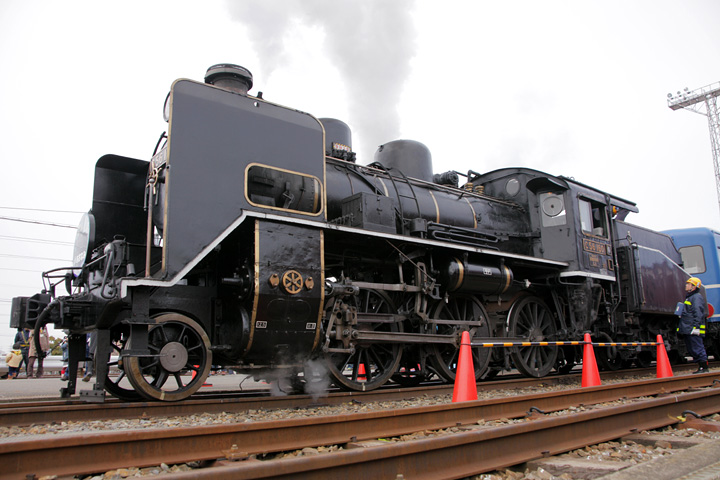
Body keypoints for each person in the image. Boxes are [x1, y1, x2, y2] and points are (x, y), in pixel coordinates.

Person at [677, 277, 709, 374]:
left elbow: (698, 313)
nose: (686, 285)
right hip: (688, 328)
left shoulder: (696, 297)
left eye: (688, 284)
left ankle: (704, 367)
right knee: (692, 348)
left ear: (694, 287)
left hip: (692, 328)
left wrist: (696, 327)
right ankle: (701, 367)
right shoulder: (690, 297)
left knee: (697, 347)